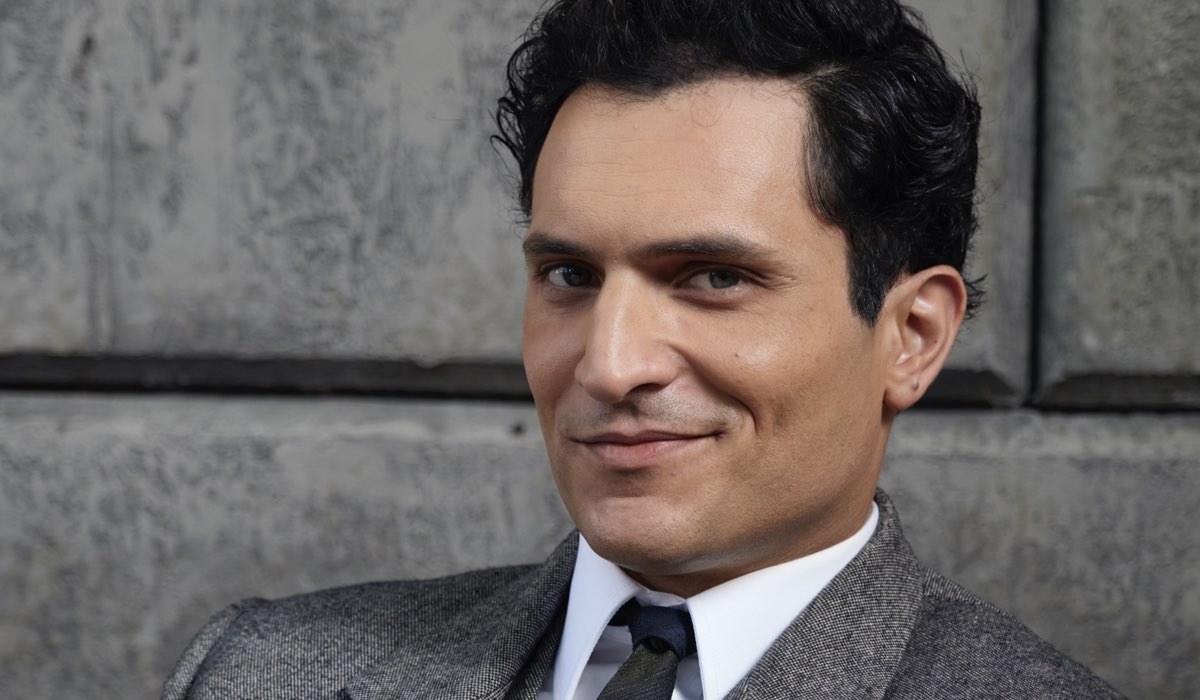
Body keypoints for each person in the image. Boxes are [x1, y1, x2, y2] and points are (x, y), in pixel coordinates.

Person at [163, 1, 1126, 698]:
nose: (609, 364)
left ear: (911, 337)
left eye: (714, 278)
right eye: (570, 275)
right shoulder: (258, 674)